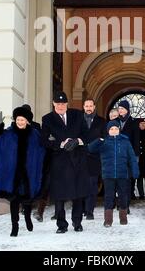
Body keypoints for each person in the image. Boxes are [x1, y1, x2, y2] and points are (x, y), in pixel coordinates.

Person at [0, 106, 45, 236]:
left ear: (27, 121)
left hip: (29, 173)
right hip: (13, 175)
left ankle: (27, 218)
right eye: (18, 119)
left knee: (28, 199)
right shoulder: (8, 134)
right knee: (14, 200)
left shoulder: (35, 135)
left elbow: (42, 151)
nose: (20, 122)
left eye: (23, 120)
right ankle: (14, 226)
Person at [41, 91, 89, 233]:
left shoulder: (78, 115)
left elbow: (86, 134)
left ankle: (77, 222)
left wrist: (78, 141)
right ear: (53, 104)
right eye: (58, 103)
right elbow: (43, 140)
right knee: (59, 196)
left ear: (67, 104)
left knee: (78, 194)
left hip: (77, 160)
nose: (61, 106)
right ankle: (62, 225)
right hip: (59, 162)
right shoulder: (47, 119)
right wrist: (60, 144)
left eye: (63, 103)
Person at [88, 119, 139, 227]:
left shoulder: (125, 142)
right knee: (109, 197)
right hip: (108, 175)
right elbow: (90, 148)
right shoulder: (104, 141)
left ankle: (123, 218)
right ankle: (108, 220)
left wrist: (135, 171)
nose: (114, 130)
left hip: (122, 174)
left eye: (116, 128)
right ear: (108, 130)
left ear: (119, 130)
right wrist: (99, 140)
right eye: (111, 129)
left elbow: (132, 158)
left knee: (123, 196)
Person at [83, 98, 106, 220]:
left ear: (94, 107)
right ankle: (82, 208)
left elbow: (104, 139)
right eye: (86, 106)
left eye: (90, 106)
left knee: (92, 185)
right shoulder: (77, 120)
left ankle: (89, 210)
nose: (88, 108)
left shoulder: (101, 121)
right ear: (83, 107)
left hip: (95, 158)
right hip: (80, 158)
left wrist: (93, 147)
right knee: (81, 184)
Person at [117, 100, 140, 206]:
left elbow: (136, 140)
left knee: (127, 179)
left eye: (122, 108)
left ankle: (126, 202)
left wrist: (135, 156)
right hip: (117, 154)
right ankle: (120, 201)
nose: (120, 110)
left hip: (129, 154)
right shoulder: (115, 121)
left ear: (127, 109)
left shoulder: (134, 122)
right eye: (119, 108)